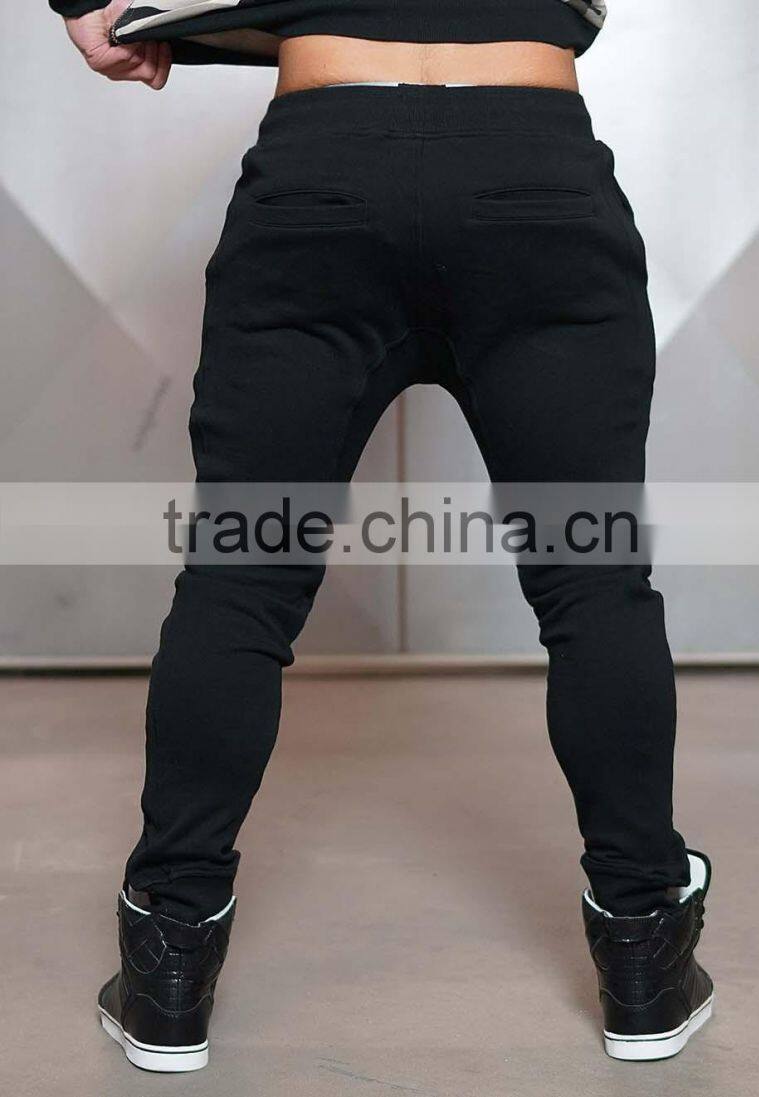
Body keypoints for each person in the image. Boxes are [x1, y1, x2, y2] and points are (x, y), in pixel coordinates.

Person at [52, 0, 713, 1071]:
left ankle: (169, 962)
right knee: (593, 577)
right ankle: (644, 958)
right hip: (532, 165)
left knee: (241, 575)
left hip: (325, 165)